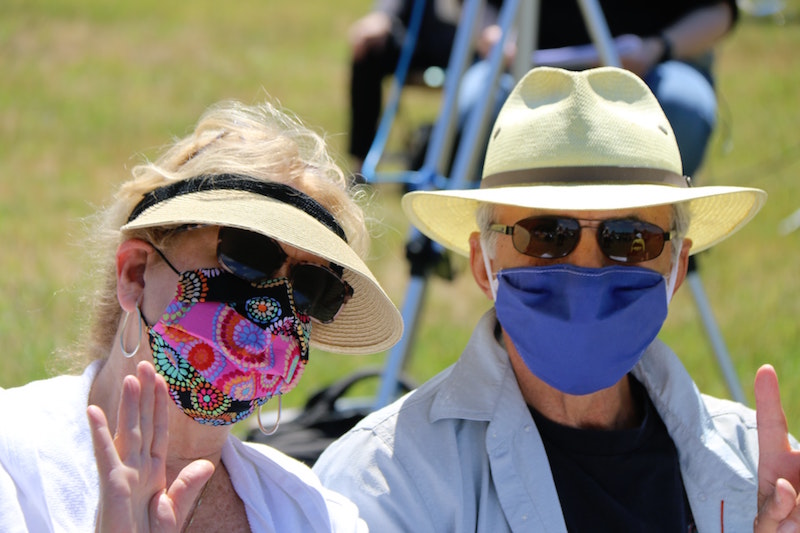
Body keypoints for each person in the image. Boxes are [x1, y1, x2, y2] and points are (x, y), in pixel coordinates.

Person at [314, 66, 799, 531]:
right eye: (546, 234)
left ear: (676, 268)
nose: (587, 267)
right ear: (483, 264)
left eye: (629, 238)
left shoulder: (756, 471)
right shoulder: (388, 484)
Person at [0, 99, 403, 531]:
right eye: (248, 255)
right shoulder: (14, 460)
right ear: (135, 274)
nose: (274, 308)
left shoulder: (315, 515)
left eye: (310, 288)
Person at [456, 0, 737, 181]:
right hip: (521, 70)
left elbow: (718, 10)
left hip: (649, 66)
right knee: (477, 104)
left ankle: (651, 227)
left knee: (683, 106)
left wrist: (657, 47)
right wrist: (493, 36)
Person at [347, 0, 460, 174]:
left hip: (466, 37)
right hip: (416, 37)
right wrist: (380, 19)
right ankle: (361, 164)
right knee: (369, 50)